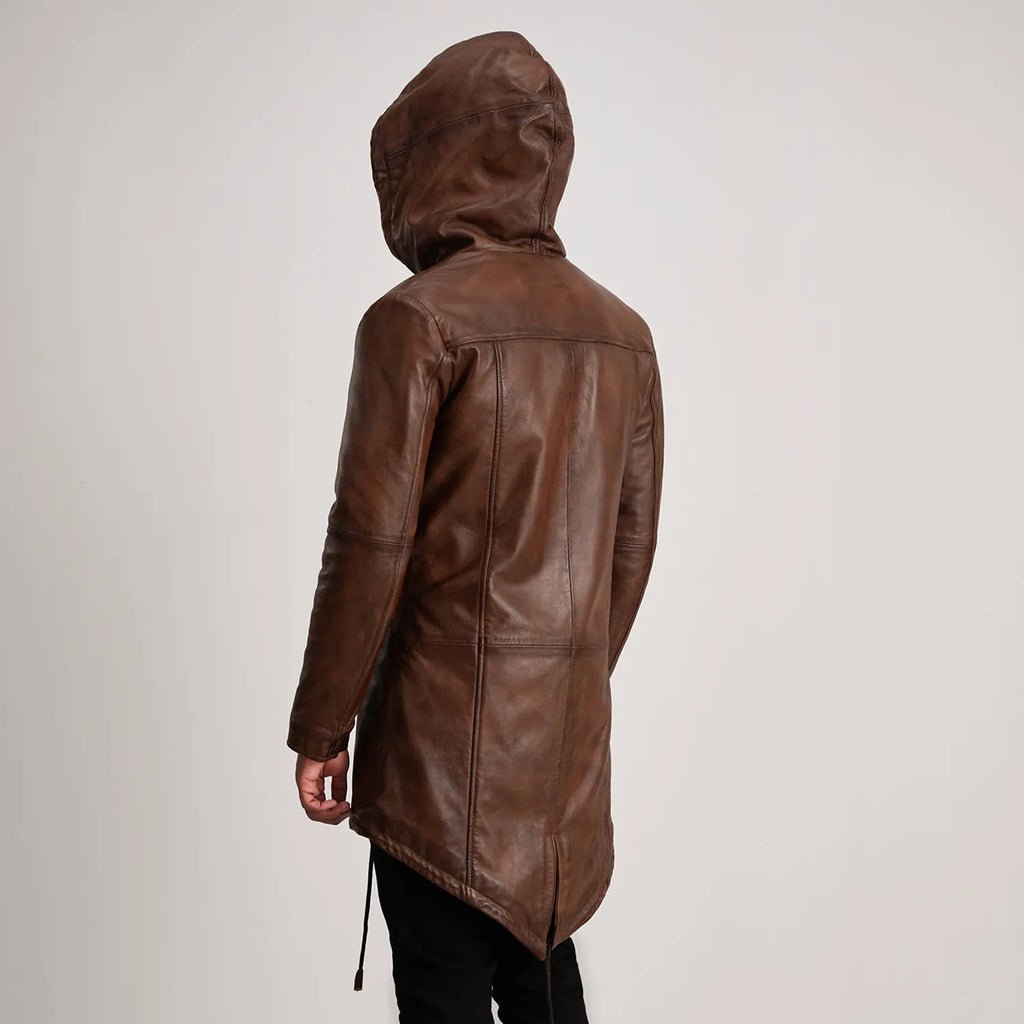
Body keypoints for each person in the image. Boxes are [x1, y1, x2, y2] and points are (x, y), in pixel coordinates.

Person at [287, 29, 664, 1024]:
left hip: (436, 763)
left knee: (445, 995)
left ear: (431, 160)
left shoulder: (416, 321)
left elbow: (368, 543)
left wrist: (323, 727)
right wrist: (559, 682)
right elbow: (628, 554)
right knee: (546, 986)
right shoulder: (623, 337)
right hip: (562, 762)